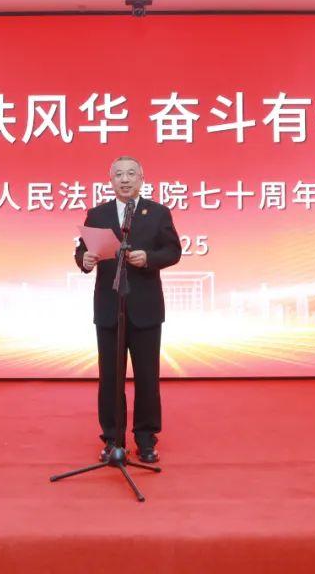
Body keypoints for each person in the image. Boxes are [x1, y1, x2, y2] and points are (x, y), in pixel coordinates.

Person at [74, 156, 182, 463]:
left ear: (141, 178)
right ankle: (112, 439)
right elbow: (83, 250)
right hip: (109, 307)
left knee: (147, 377)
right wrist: (84, 260)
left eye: (131, 174)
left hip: (145, 307)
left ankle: (146, 439)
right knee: (110, 378)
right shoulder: (98, 214)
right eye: (119, 174)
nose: (125, 179)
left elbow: (173, 250)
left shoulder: (158, 212)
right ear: (110, 180)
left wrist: (148, 258)